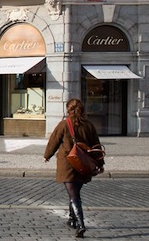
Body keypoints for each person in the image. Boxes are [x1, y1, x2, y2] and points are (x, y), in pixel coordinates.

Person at [44, 98, 104, 238]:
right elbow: (97, 146)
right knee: (74, 193)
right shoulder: (89, 125)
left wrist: (47, 155)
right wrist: (100, 164)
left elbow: (54, 141)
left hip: (68, 164)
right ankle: (72, 220)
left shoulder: (64, 125)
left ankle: (81, 224)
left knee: (73, 195)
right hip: (83, 165)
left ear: (68, 110)